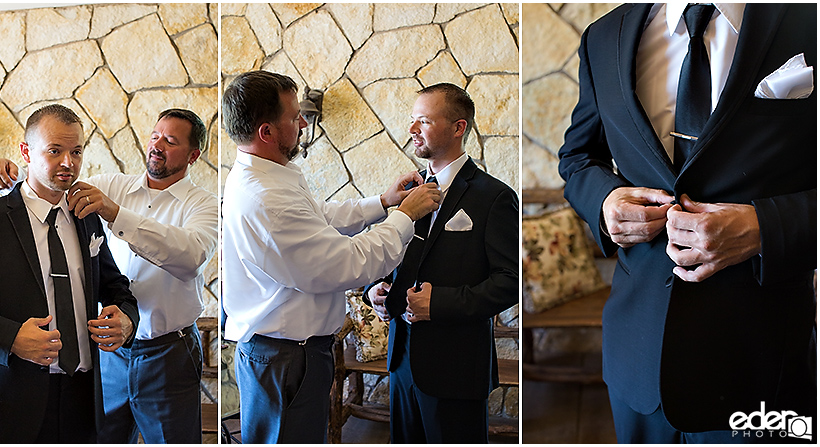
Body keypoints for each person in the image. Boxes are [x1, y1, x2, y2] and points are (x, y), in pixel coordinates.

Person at [557, 3, 816, 442]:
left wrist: (764, 228)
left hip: (763, 364)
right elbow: (579, 158)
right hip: (637, 361)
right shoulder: (604, 35)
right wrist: (605, 201)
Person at [221, 70, 443, 443]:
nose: (304, 122)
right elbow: (347, 264)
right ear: (267, 133)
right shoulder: (265, 198)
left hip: (289, 354)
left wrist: (383, 202)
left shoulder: (272, 174)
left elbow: (317, 219)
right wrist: (406, 217)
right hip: (285, 360)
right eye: (294, 117)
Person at [0, 109, 218, 443]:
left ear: (193, 155)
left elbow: (190, 257)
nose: (157, 145)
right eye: (155, 135)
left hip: (169, 356)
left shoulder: (203, 204)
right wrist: (14, 169)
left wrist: (116, 214)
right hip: (111, 354)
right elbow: (54, 184)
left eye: (170, 140)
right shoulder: (112, 184)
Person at [0, 104, 139, 443]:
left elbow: (116, 287)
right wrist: (10, 338)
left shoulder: (87, 217)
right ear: (26, 152)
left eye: (76, 151)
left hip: (84, 402)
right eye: (55, 151)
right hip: (8, 404)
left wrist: (127, 319)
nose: (68, 162)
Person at [365, 83, 519, 443]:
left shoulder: (493, 196)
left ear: (458, 127)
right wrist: (381, 288)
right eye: (411, 121)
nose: (412, 129)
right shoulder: (411, 192)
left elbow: (509, 281)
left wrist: (440, 304)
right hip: (402, 361)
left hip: (457, 368)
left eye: (424, 120)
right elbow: (403, 257)